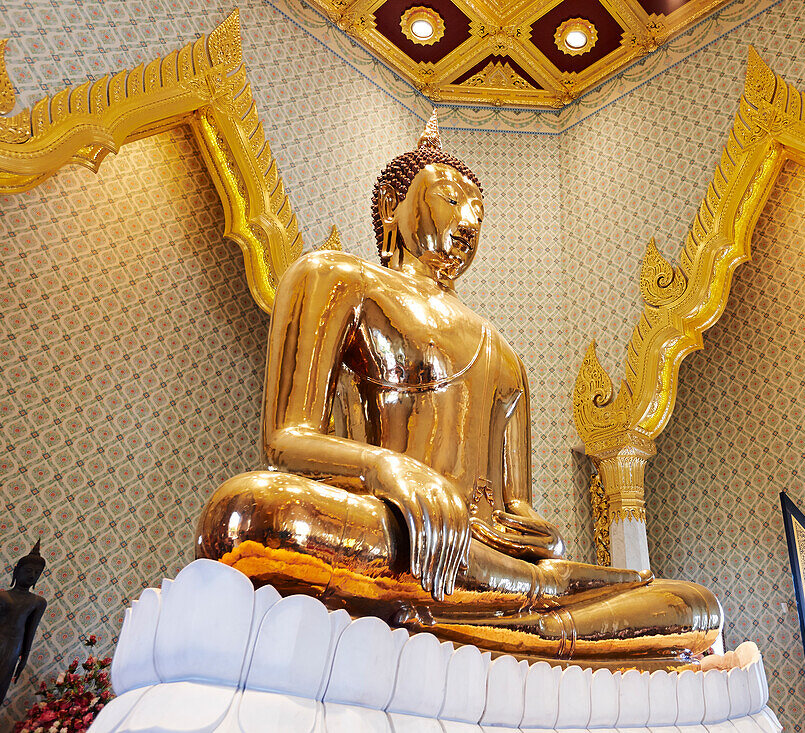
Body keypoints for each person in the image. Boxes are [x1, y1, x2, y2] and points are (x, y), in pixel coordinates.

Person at [195, 113, 722, 666]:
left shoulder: (505, 356)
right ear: (390, 210)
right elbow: (286, 439)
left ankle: (478, 629)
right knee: (244, 516)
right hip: (384, 530)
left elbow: (511, 510)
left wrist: (530, 532)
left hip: (482, 560)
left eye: (479, 211)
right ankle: (538, 636)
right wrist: (385, 469)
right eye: (450, 198)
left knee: (695, 606)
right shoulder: (337, 278)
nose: (468, 220)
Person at [0, 540, 47, 704]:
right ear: (17, 571)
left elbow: (30, 631)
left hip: (13, 649)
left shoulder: (38, 602)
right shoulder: (3, 596)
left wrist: (24, 657)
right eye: (28, 570)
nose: (32, 575)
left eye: (37, 573)